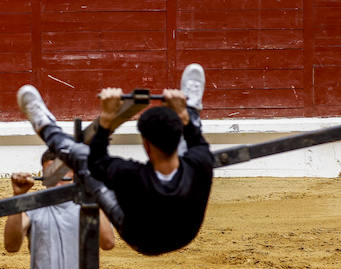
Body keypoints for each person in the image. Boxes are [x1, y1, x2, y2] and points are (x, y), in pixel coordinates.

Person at [16, 64, 214, 257]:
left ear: (146, 145)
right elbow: (196, 140)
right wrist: (183, 114)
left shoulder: (130, 176)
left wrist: (106, 120)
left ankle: (45, 125)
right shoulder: (202, 162)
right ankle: (191, 108)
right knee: (193, 151)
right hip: (184, 235)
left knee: (85, 165)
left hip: (138, 237)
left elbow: (96, 161)